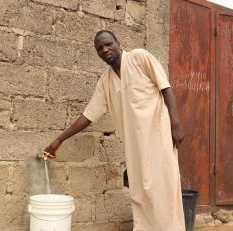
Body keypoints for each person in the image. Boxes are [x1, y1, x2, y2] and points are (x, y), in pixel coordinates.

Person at [44, 30, 185, 231]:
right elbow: (89, 115)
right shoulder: (105, 82)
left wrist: (175, 123)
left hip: (159, 136)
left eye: (108, 44)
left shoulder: (140, 58)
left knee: (164, 188)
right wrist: (59, 140)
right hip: (134, 146)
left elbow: (165, 87)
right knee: (140, 192)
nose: (105, 50)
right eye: (100, 48)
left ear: (118, 43)